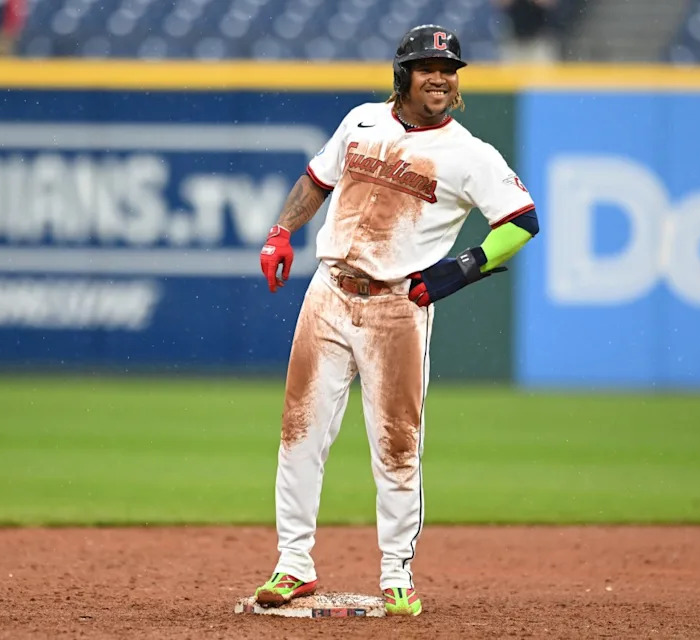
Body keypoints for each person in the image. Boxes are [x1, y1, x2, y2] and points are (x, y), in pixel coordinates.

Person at [254, 24, 540, 616]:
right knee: (299, 432)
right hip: (328, 291)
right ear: (402, 75)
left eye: (450, 69)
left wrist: (460, 271)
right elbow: (316, 179)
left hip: (395, 308)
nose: (441, 77)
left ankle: (396, 573)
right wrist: (282, 230)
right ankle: (293, 566)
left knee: (397, 445)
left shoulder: (470, 154)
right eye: (428, 67)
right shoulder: (361, 120)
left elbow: (521, 221)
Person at [493, 0, 561, 63]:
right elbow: (499, 4)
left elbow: (551, 4)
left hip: (538, 39)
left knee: (541, 72)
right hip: (514, 40)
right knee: (511, 72)